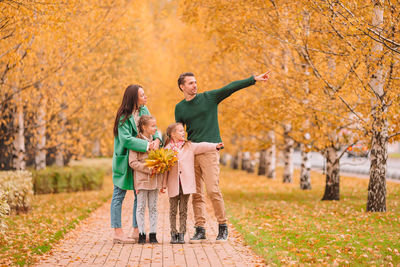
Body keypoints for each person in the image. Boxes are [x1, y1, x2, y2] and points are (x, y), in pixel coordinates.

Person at [175, 71, 270, 243]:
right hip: (192, 151)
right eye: (190, 83)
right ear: (182, 87)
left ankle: (222, 226)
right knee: (196, 193)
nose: (194, 85)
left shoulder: (209, 98)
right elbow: (179, 133)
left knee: (213, 190)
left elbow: (230, 88)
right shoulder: (180, 108)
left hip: (210, 150)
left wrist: (253, 80)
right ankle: (200, 229)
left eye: (195, 82)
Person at [111, 85, 161, 244]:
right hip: (125, 158)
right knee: (118, 194)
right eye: (142, 94)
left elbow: (154, 126)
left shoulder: (144, 111)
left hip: (140, 160)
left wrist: (158, 139)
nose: (145, 97)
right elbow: (125, 139)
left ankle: (136, 230)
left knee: (137, 195)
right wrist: (146, 145)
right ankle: (117, 232)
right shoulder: (123, 117)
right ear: (133, 97)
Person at [162, 122, 223, 244]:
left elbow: (202, 146)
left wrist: (215, 146)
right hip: (173, 184)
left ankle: (182, 234)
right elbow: (164, 169)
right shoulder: (166, 149)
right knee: (173, 210)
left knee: (183, 210)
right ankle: (173, 233)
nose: (183, 132)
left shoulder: (189, 146)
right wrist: (163, 184)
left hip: (186, 185)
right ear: (173, 134)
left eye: (183, 130)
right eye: (180, 131)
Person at [129, 115, 164, 244]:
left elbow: (160, 160)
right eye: (152, 126)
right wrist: (148, 168)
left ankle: (153, 234)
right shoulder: (136, 142)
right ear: (144, 127)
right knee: (141, 207)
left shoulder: (156, 142)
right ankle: (142, 234)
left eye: (155, 125)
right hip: (142, 181)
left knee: (154, 207)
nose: (155, 128)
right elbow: (132, 162)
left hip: (154, 181)